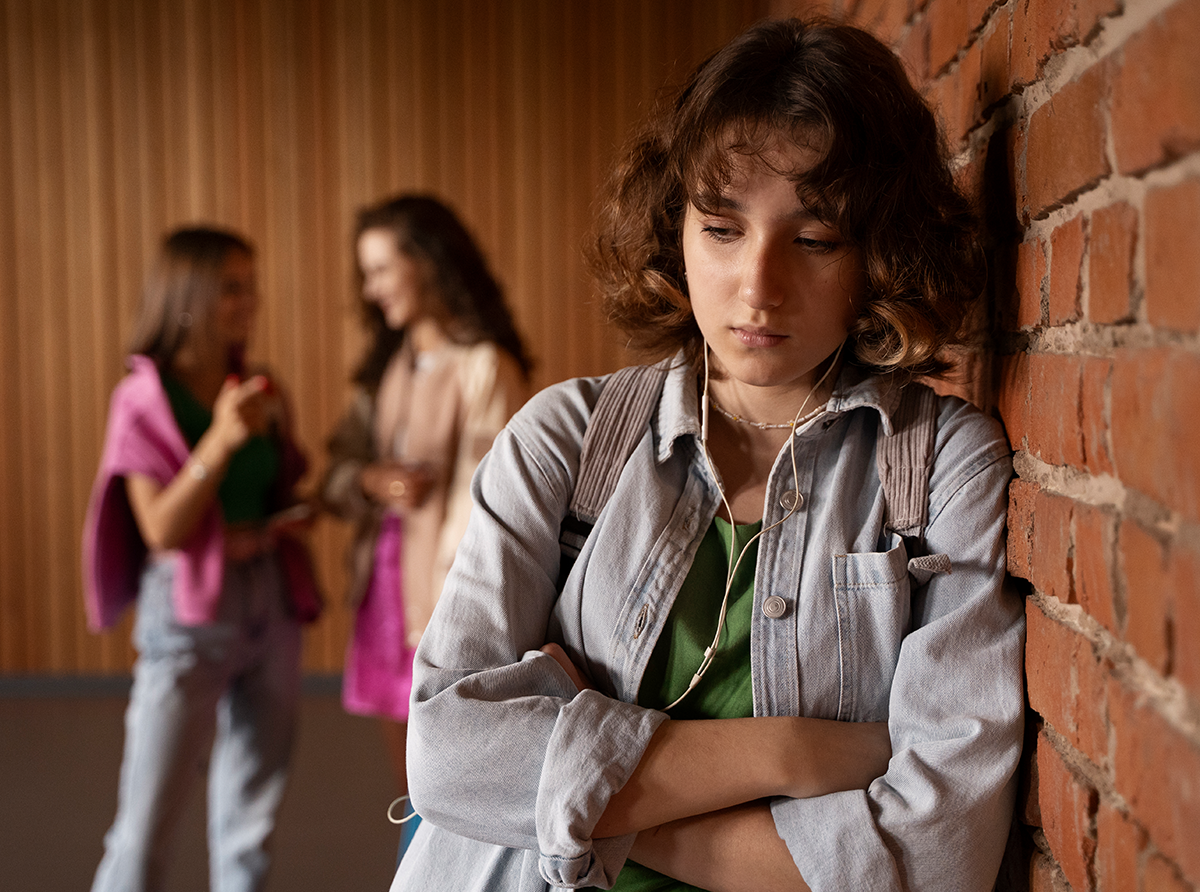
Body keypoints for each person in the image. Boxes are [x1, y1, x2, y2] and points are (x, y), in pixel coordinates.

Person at [394, 17, 1025, 892]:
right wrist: (795, 753)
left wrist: (581, 795)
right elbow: (449, 761)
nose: (757, 287)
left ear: (881, 255)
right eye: (722, 228)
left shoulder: (940, 469)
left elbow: (938, 854)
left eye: (813, 240)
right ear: (675, 230)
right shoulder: (566, 440)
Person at [82, 226, 322, 892]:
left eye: (252, 285)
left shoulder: (258, 385)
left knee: (250, 824)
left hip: (268, 601)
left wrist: (292, 512)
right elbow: (161, 529)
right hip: (188, 613)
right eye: (232, 288)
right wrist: (219, 440)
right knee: (145, 825)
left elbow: (277, 486)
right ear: (187, 296)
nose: (251, 300)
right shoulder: (142, 399)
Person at [320, 195, 531, 838]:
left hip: (445, 589)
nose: (371, 288)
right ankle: (415, 860)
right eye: (367, 273)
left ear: (429, 265)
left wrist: (454, 607)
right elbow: (336, 473)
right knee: (406, 772)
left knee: (446, 765)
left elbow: (491, 504)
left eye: (382, 269)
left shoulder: (487, 367)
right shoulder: (385, 366)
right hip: (386, 580)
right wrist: (372, 480)